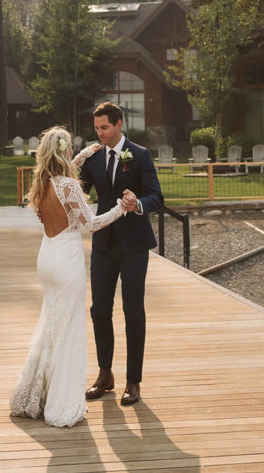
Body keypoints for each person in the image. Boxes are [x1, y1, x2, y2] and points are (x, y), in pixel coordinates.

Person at [9, 126, 129, 427]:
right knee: (69, 329)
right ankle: (61, 404)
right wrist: (120, 208)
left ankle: (36, 393)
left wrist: (85, 154)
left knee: (51, 324)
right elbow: (91, 224)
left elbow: (65, 179)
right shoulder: (69, 186)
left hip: (47, 258)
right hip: (67, 262)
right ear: (64, 151)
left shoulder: (42, 182)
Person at [79, 101, 164, 407]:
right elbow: (79, 190)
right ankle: (105, 375)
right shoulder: (94, 157)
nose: (99, 133)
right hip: (103, 243)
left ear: (119, 124)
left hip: (133, 246)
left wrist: (137, 203)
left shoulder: (139, 155)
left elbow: (157, 197)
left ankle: (133, 381)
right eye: (96, 128)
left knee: (133, 311)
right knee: (99, 310)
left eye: (104, 127)